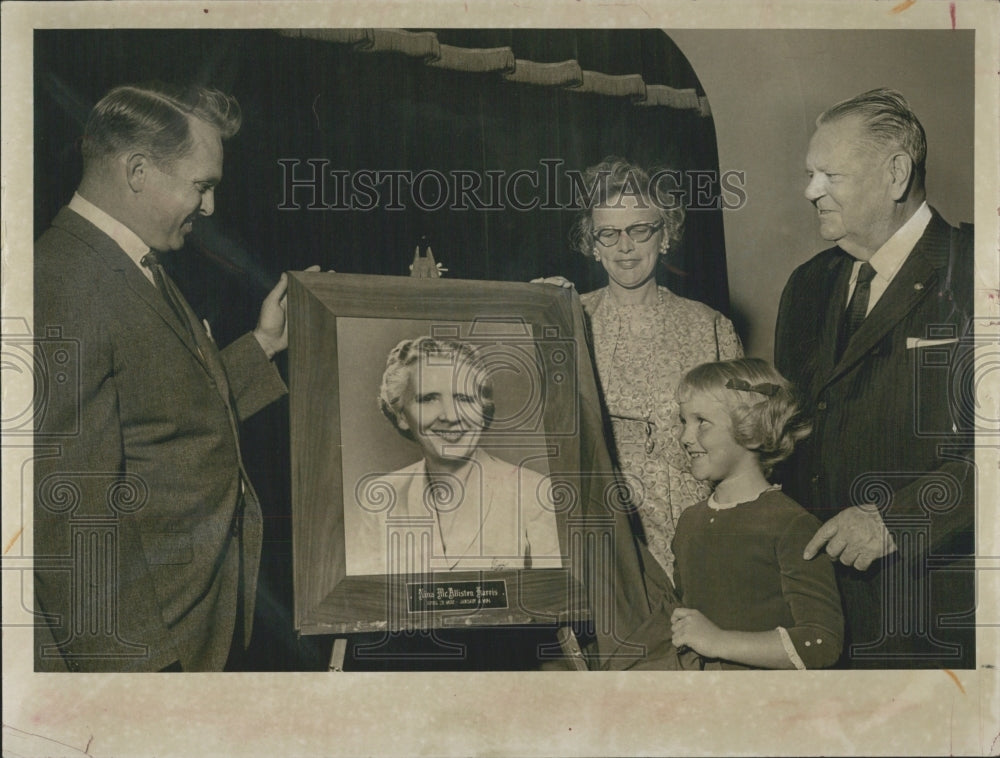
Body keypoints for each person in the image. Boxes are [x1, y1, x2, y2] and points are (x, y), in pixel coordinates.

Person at [33, 83, 309, 672]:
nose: (209, 209)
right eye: (201, 187)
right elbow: (69, 517)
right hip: (141, 656)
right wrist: (141, 680)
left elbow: (166, 408)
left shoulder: (127, 261)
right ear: (137, 171)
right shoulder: (65, 280)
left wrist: (263, 343)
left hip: (185, 632)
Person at [775, 88, 975, 668]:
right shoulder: (806, 286)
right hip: (825, 617)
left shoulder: (977, 270)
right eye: (810, 173)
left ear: (895, 174)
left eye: (829, 174)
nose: (809, 191)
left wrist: (898, 520)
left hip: (939, 614)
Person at [536, 158, 742, 580]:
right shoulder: (569, 319)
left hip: (692, 536)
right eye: (608, 234)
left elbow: (743, 449)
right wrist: (534, 312)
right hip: (594, 537)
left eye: (639, 230)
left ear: (664, 236)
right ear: (593, 245)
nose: (624, 246)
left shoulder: (710, 327)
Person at [668, 358, 843, 670]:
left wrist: (718, 641)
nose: (684, 437)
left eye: (701, 422)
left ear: (751, 431)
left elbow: (822, 642)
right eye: (684, 421)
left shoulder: (791, 524)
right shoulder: (689, 522)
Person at [349, 335, 562, 575]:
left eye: (464, 398)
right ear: (400, 414)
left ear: (482, 409)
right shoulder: (380, 501)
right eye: (428, 398)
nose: (451, 416)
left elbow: (555, 601)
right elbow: (367, 605)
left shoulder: (533, 493)